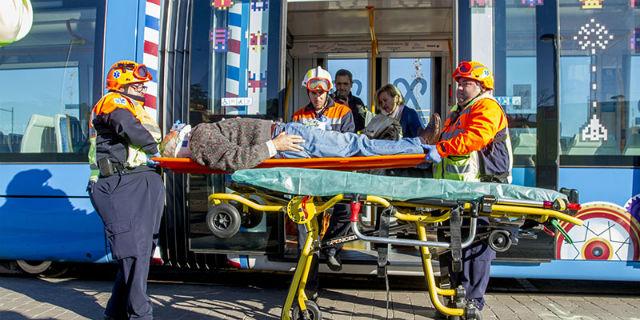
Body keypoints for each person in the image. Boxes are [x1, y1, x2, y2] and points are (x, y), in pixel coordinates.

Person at [422, 60, 512, 317]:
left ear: (482, 86)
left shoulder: (487, 107)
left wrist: (441, 149)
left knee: (476, 247)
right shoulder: (457, 112)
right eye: (459, 84)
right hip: (455, 193)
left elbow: (477, 137)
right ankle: (453, 301)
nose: (460, 88)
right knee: (452, 247)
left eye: (467, 84)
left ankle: (472, 302)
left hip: (480, 191)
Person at [88, 60, 165, 320]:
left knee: (140, 253)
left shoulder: (138, 108)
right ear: (121, 82)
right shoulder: (114, 102)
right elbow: (127, 128)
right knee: (134, 252)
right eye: (137, 82)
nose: (143, 86)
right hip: (121, 183)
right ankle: (141, 316)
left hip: (141, 181)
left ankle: (115, 313)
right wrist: (160, 151)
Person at [292, 66, 355, 133]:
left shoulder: (343, 112)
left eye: (321, 92)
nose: (317, 97)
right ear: (308, 92)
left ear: (327, 92)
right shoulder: (298, 116)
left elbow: (348, 141)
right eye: (313, 93)